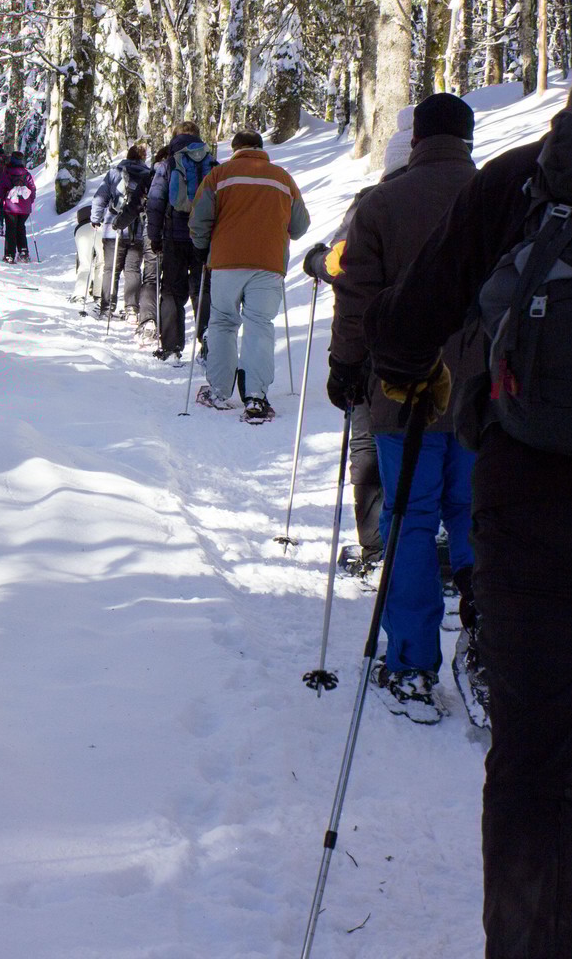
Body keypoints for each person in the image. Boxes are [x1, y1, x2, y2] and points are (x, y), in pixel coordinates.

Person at [365, 82, 572, 957]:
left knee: (537, 762)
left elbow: (404, 320)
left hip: (533, 490)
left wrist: (392, 369)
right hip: (513, 478)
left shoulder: (525, 183)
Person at [328, 92, 481, 723]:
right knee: (476, 517)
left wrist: (344, 366)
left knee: (412, 520)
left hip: (403, 390)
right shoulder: (500, 195)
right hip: (482, 394)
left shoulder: (382, 203)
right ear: (468, 139)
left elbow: (356, 296)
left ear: (416, 139)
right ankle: (490, 653)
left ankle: (413, 665)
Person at [301, 106, 415, 570]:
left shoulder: (374, 202)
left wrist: (314, 261)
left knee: (368, 445)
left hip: (375, 346)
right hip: (452, 350)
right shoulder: (469, 196)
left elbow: (341, 266)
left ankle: (377, 547)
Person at [188, 129, 310, 423]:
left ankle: (218, 391)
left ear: (235, 149)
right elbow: (301, 225)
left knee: (222, 322)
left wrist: (204, 247)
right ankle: (256, 397)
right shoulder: (282, 178)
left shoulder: (220, 176)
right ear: (260, 148)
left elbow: (198, 219)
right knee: (259, 325)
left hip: (226, 262)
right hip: (268, 264)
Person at [147, 121, 215, 361]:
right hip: (204, 238)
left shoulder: (167, 164)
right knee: (202, 289)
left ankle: (172, 348)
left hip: (174, 236)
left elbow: (155, 202)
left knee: (172, 292)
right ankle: (207, 344)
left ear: (174, 138)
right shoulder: (212, 162)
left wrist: (154, 237)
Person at [89, 144, 152, 319]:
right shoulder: (148, 176)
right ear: (143, 158)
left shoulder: (114, 173)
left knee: (111, 269)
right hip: (138, 228)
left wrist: (96, 218)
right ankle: (132, 308)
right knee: (133, 269)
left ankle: (107, 307)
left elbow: (100, 198)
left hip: (113, 228)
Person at [135, 145, 168, 344]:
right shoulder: (187, 169)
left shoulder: (152, 175)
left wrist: (120, 222)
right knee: (172, 282)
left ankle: (148, 320)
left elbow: (136, 203)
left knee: (151, 277)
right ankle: (170, 330)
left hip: (153, 231)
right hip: (182, 234)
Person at [0, 150, 36, 262]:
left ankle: (9, 255)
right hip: (25, 206)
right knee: (21, 227)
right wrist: (30, 201)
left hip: (11, 206)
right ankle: (23, 252)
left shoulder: (7, 172)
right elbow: (32, 189)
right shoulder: (26, 174)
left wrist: (2, 196)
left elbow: (0, 189)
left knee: (11, 229)